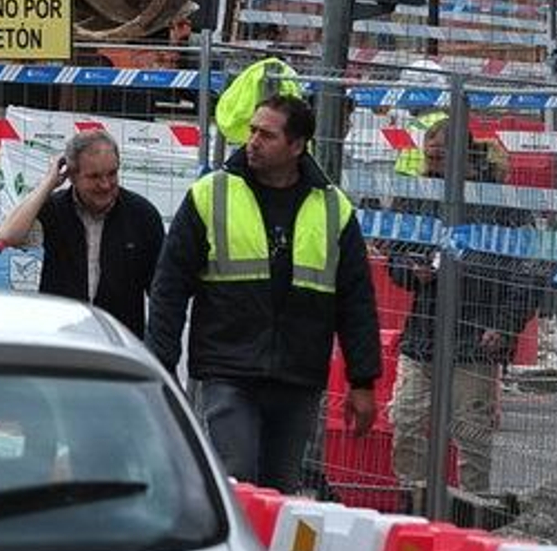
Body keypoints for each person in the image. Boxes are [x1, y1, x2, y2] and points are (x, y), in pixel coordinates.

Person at [146, 93, 381, 489]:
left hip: (297, 375)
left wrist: (362, 381)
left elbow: (356, 298)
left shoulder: (333, 207)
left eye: (266, 135)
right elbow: (169, 287)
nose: (252, 141)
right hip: (228, 368)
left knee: (281, 489)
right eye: (252, 131)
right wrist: (161, 363)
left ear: (296, 146)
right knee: (237, 480)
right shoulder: (211, 194)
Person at [385, 123, 543, 514]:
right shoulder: (419, 197)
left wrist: (506, 324)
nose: (433, 164)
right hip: (425, 330)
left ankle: (475, 513)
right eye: (430, 157)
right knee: (406, 420)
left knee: (471, 437)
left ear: (465, 156)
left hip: (478, 335)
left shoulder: (501, 202)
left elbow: (530, 270)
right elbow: (395, 256)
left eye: (440, 157)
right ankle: (416, 504)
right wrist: (409, 269)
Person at [0, 130, 165, 338]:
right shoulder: (55, 209)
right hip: (62, 340)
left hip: (120, 343)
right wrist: (49, 183)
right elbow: (9, 235)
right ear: (72, 176)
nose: (105, 185)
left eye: (112, 174)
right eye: (94, 177)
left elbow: (160, 292)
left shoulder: (142, 215)